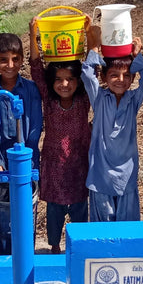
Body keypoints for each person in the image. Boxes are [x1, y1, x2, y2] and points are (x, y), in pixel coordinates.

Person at [29, 18, 91, 254]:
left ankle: (79, 248)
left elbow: (92, 65)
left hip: (79, 163)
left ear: (78, 81)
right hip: (55, 165)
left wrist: (87, 33)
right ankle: (54, 246)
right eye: (58, 79)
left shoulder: (84, 99)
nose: (64, 84)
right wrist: (33, 33)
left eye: (70, 79)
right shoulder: (48, 98)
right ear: (51, 82)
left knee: (79, 208)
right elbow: (36, 66)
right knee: (54, 208)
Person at [81, 25, 143, 222]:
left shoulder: (133, 100)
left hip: (126, 174)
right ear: (104, 77)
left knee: (127, 227)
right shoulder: (99, 98)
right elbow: (88, 75)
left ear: (132, 78)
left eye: (126, 76)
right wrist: (95, 47)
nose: (120, 80)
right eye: (114, 75)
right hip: (101, 174)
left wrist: (137, 55)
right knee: (103, 229)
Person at [0, 32, 42, 255]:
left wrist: (28, 157)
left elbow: (35, 125)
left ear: (22, 59)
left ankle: (27, 253)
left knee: (27, 208)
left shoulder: (30, 90)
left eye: (15, 59)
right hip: (2, 160)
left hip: (26, 157)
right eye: (3, 60)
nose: (10, 65)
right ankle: (4, 253)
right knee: (3, 210)